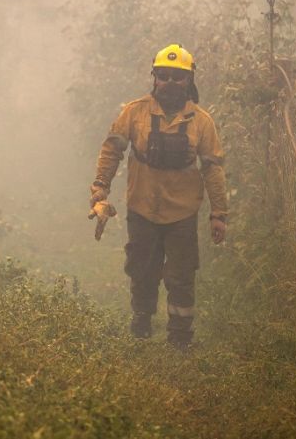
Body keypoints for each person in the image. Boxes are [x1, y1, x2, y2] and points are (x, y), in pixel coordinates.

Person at [90, 43, 228, 348]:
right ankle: (141, 321)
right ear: (154, 78)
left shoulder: (202, 122)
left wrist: (218, 213)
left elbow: (213, 167)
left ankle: (180, 337)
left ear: (190, 81)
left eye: (177, 77)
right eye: (163, 76)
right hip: (142, 207)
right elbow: (113, 147)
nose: (169, 83)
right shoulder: (135, 112)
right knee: (142, 269)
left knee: (181, 276)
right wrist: (100, 188)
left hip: (182, 213)